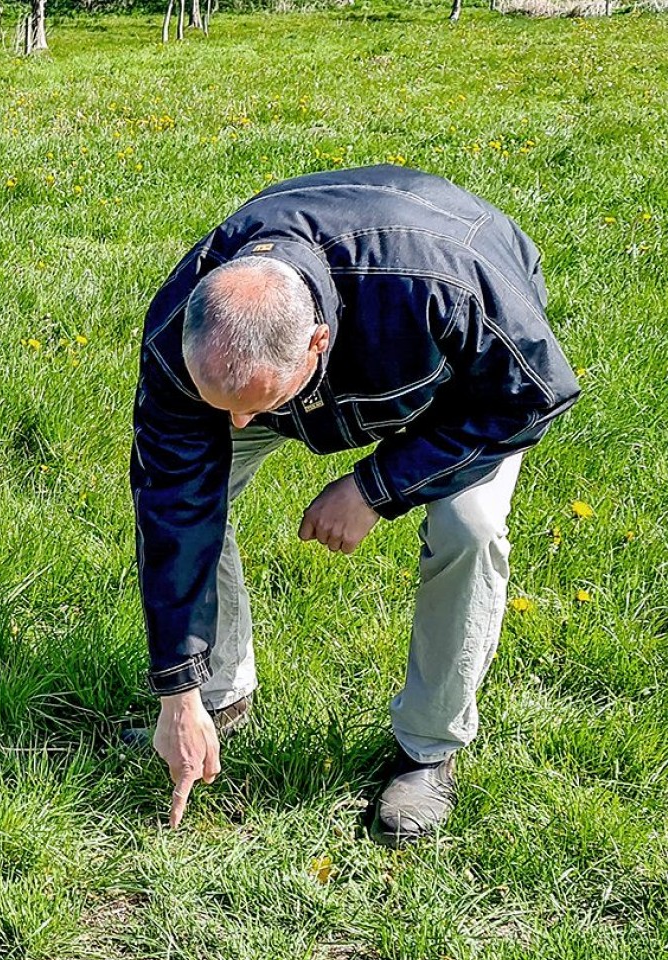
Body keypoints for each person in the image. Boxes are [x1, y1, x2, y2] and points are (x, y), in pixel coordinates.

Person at [130, 165, 579, 844]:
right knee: (201, 489)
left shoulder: (447, 287)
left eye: (257, 404)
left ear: (316, 343)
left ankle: (429, 750)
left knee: (471, 525)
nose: (242, 426)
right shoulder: (183, 329)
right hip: (291, 358)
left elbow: (534, 395)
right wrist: (177, 691)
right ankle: (217, 698)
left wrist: (376, 487)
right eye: (226, 406)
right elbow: (173, 504)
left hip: (461, 383)